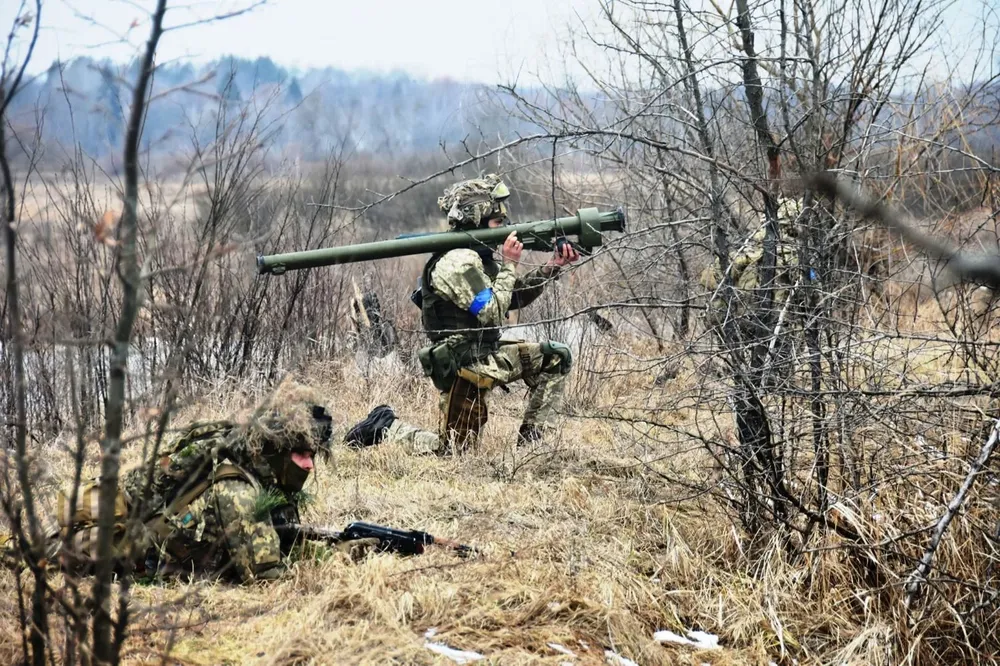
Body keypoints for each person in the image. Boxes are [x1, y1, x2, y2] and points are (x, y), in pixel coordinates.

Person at [344, 174, 580, 454]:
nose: (504, 229)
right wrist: (509, 265)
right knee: (454, 452)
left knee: (556, 356)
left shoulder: (477, 254)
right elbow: (492, 311)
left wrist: (552, 266)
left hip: (488, 354)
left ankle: (531, 450)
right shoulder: (456, 262)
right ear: (476, 221)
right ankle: (386, 427)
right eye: (497, 223)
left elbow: (511, 297)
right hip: (464, 366)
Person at [51, 379, 348, 582]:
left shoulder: (268, 479)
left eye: (313, 455)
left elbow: (283, 538)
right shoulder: (240, 491)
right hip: (130, 555)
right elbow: (267, 577)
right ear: (278, 451)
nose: (309, 465)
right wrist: (343, 557)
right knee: (40, 553)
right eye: (301, 455)